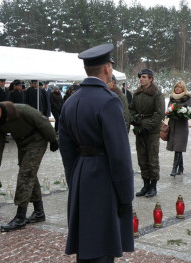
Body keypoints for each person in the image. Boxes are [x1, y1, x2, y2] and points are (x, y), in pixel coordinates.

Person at [59, 43, 134, 263]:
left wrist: (74, 179)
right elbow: (119, 154)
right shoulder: (109, 101)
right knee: (103, 244)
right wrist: (126, 194)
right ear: (107, 68)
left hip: (82, 172)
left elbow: (66, 149)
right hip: (104, 176)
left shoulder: (70, 102)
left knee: (86, 241)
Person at [0, 98, 59, 232]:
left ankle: (20, 217)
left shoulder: (22, 110)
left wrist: (53, 140)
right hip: (22, 144)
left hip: (37, 140)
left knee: (25, 175)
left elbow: (43, 122)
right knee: (29, 175)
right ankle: (39, 212)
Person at [130, 68, 165, 197]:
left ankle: (153, 186)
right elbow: (131, 109)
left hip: (152, 131)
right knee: (142, 158)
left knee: (152, 158)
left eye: (144, 77)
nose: (141, 79)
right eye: (140, 77)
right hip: (139, 129)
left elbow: (159, 113)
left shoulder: (157, 94)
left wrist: (148, 127)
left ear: (151, 79)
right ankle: (145, 185)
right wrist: (134, 121)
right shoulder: (137, 94)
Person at [166, 81, 191, 177]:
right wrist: (170, 112)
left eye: (179, 87)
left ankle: (174, 169)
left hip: (181, 126)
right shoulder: (172, 98)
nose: (177, 89)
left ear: (183, 89)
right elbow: (168, 109)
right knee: (177, 147)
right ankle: (181, 168)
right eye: (176, 87)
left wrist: (182, 114)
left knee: (178, 147)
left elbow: (190, 112)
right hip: (173, 125)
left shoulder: (187, 98)